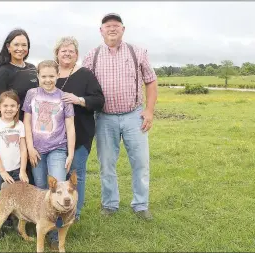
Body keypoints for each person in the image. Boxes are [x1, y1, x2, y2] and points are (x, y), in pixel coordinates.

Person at [82, 13, 158, 220]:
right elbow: (84, 86)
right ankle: (110, 204)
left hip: (134, 115)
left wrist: (149, 111)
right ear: (101, 31)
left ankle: (141, 205)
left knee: (140, 162)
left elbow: (150, 81)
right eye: (107, 26)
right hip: (104, 117)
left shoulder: (138, 52)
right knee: (106, 163)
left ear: (123, 29)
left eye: (116, 25)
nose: (112, 29)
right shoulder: (92, 55)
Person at [22, 60, 75, 250]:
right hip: (37, 150)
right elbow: (27, 121)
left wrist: (70, 153)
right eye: (43, 76)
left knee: (59, 187)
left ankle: (56, 234)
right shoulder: (31, 94)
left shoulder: (64, 98)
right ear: (38, 77)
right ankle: (43, 228)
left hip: (58, 148)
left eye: (51, 76)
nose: (47, 80)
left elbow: (70, 125)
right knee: (42, 189)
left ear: (57, 75)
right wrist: (29, 147)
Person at [54, 36, 105, 222]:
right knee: (57, 176)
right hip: (53, 137)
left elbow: (99, 101)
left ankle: (74, 214)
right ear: (57, 53)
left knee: (75, 175)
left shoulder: (85, 74)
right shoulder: (49, 73)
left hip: (80, 133)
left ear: (77, 55)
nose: (67, 54)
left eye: (71, 51)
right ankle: (55, 210)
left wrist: (79, 100)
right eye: (63, 50)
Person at [0, 28, 38, 186]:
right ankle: (4, 208)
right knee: (14, 170)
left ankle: (30, 207)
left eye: (24, 45)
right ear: (8, 47)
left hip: (34, 127)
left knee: (31, 170)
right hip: (13, 128)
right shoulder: (3, 71)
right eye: (16, 44)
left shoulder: (32, 68)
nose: (20, 48)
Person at [0, 90, 28, 225]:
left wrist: (22, 170)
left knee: (17, 196)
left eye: (12, 106)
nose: (9, 109)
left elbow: (23, 148)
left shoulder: (20, 125)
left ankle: (16, 223)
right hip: (0, 171)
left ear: (17, 108)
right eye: (5, 106)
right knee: (0, 196)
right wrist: (2, 171)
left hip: (16, 169)